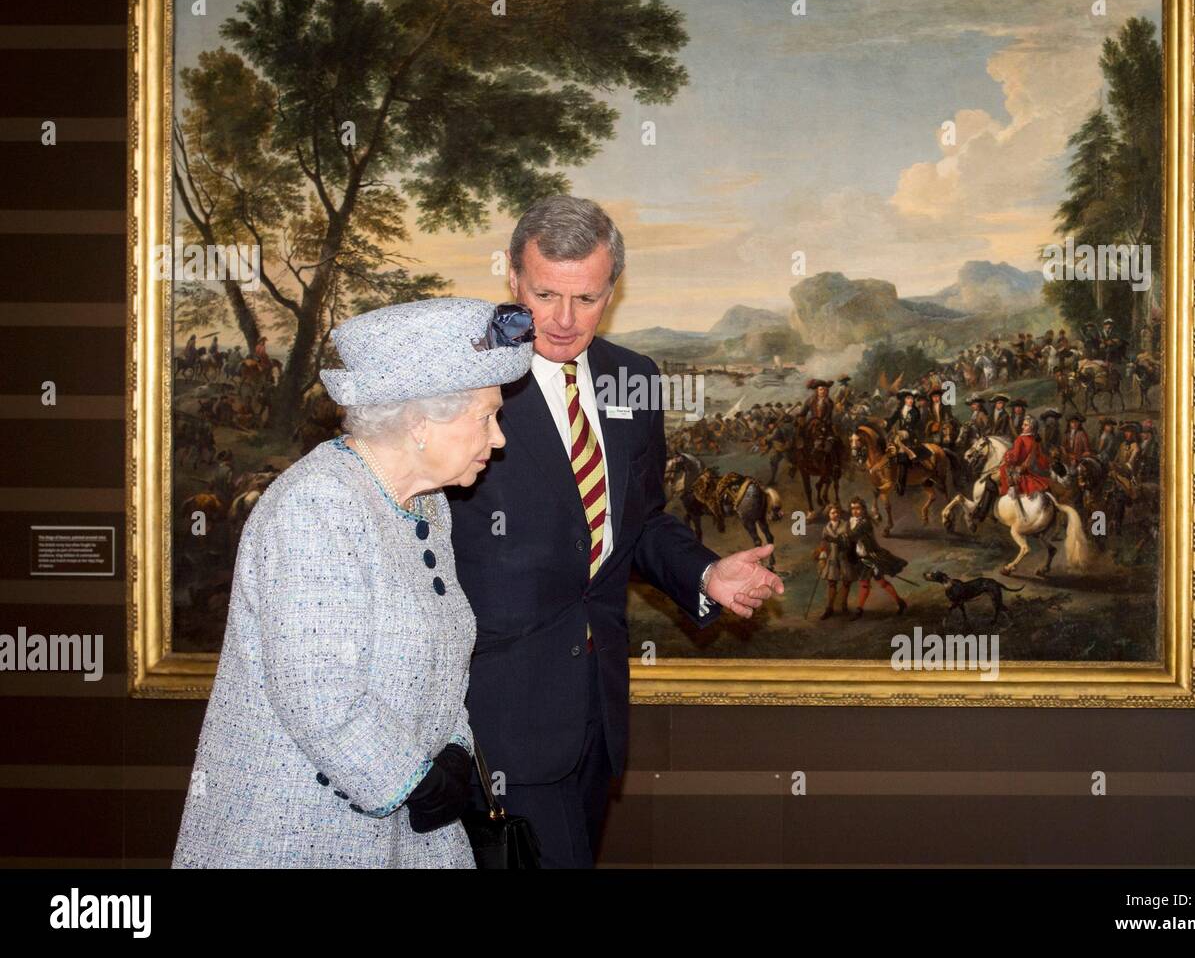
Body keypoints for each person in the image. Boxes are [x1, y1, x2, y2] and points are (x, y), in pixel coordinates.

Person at [446, 196, 783, 868]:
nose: (565, 320)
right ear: (513, 278)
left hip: (598, 711)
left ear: (613, 289)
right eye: (545, 294)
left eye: (588, 298)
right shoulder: (464, 378)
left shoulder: (635, 378)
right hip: (497, 717)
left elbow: (644, 519)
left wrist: (706, 574)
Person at [173, 297, 534, 868]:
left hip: (406, 834)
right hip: (301, 830)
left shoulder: (426, 504)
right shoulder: (317, 504)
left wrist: (456, 750)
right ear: (420, 421)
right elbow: (317, 694)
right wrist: (416, 780)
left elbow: (440, 657)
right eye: (486, 416)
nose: (499, 439)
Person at [845, 498, 908, 618]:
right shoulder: (850, 521)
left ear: (863, 509)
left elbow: (852, 536)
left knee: (882, 582)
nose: (855, 511)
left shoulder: (865, 523)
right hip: (861, 558)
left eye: (858, 508)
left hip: (872, 557)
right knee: (864, 583)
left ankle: (900, 602)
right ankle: (859, 610)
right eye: (852, 508)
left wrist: (838, 538)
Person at [998, 415, 1053, 498]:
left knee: (1001, 470)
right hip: (1028, 470)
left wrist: (1007, 455)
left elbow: (1015, 458)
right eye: (1023, 424)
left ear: (1031, 427)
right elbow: (1040, 458)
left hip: (1017, 469)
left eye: (1025, 425)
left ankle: (1005, 495)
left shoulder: (1020, 439)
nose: (1022, 426)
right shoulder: (1035, 441)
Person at [815, 503, 852, 620]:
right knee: (832, 582)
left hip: (844, 557)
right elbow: (823, 545)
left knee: (846, 581)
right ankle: (829, 608)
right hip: (832, 557)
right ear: (828, 515)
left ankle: (844, 606)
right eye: (832, 513)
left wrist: (838, 540)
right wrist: (822, 557)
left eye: (837, 512)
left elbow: (849, 542)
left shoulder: (846, 525)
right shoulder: (826, 528)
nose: (835, 514)